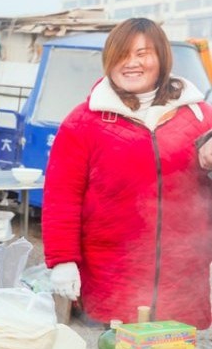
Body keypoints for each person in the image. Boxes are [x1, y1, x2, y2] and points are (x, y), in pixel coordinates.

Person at [44, 17, 212, 328]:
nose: (131, 63)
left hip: (183, 280)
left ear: (161, 58)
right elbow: (61, 198)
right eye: (122, 54)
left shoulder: (200, 116)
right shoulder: (83, 122)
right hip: (112, 279)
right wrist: (63, 260)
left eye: (143, 53)